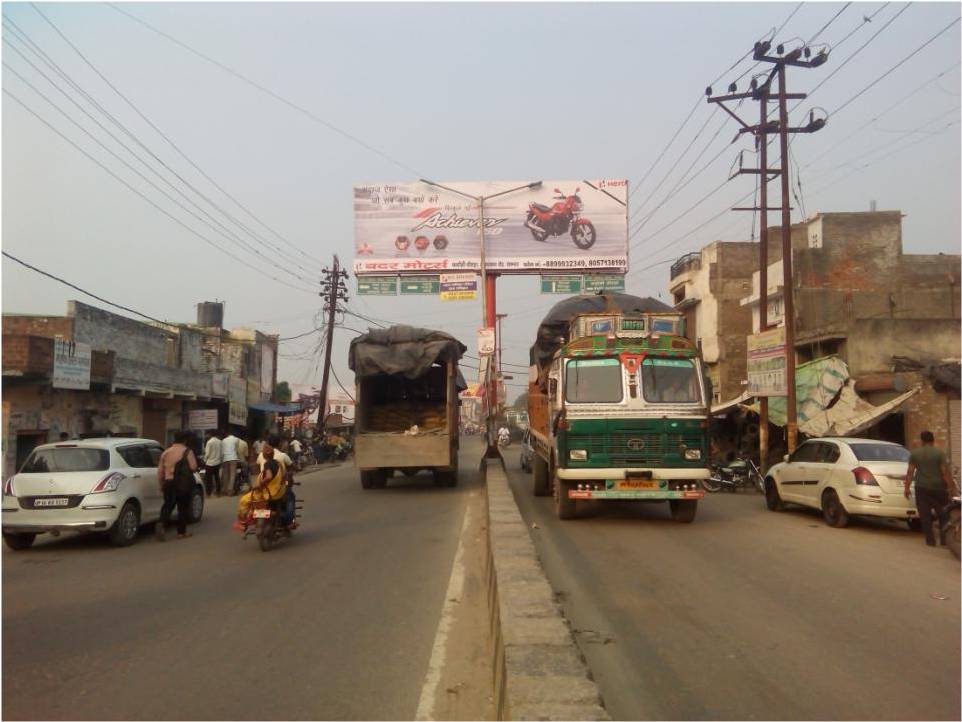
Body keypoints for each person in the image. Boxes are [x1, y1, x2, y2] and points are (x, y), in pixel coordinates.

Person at [904, 430, 958, 547]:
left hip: (921, 488)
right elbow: (945, 472)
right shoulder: (939, 453)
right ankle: (944, 541)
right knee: (943, 514)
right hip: (939, 488)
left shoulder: (915, 454)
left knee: (925, 516)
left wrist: (907, 488)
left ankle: (930, 541)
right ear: (933, 440)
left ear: (922, 440)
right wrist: (950, 488)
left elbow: (910, 472)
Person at [157, 431, 198, 541]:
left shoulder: (166, 452)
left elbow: (160, 471)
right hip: (182, 483)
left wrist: (161, 484)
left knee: (168, 505)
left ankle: (161, 523)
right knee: (182, 507)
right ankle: (181, 533)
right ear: (185, 440)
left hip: (169, 482)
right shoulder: (188, 452)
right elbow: (193, 467)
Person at [221, 429, 241, 497]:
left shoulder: (223, 440)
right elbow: (236, 449)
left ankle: (224, 490)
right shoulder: (236, 439)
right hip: (233, 457)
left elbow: (222, 450)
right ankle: (230, 490)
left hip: (225, 458)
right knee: (232, 474)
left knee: (225, 474)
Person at [203, 430, 222, 497]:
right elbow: (221, 452)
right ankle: (218, 492)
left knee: (209, 479)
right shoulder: (220, 442)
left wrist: (204, 460)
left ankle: (208, 493)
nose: (206, 436)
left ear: (210, 434)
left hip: (210, 463)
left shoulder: (209, 442)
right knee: (217, 478)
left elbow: (207, 453)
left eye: (207, 434)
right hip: (217, 462)